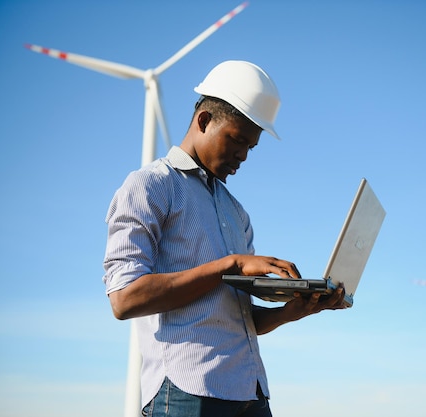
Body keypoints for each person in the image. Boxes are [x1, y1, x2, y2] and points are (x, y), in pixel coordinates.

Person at [102, 60, 346, 417]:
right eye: (237, 139)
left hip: (251, 392)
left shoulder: (237, 213)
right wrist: (229, 264)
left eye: (252, 147)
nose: (244, 155)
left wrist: (293, 311)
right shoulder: (150, 186)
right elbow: (124, 299)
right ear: (204, 120)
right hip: (188, 393)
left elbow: (239, 318)